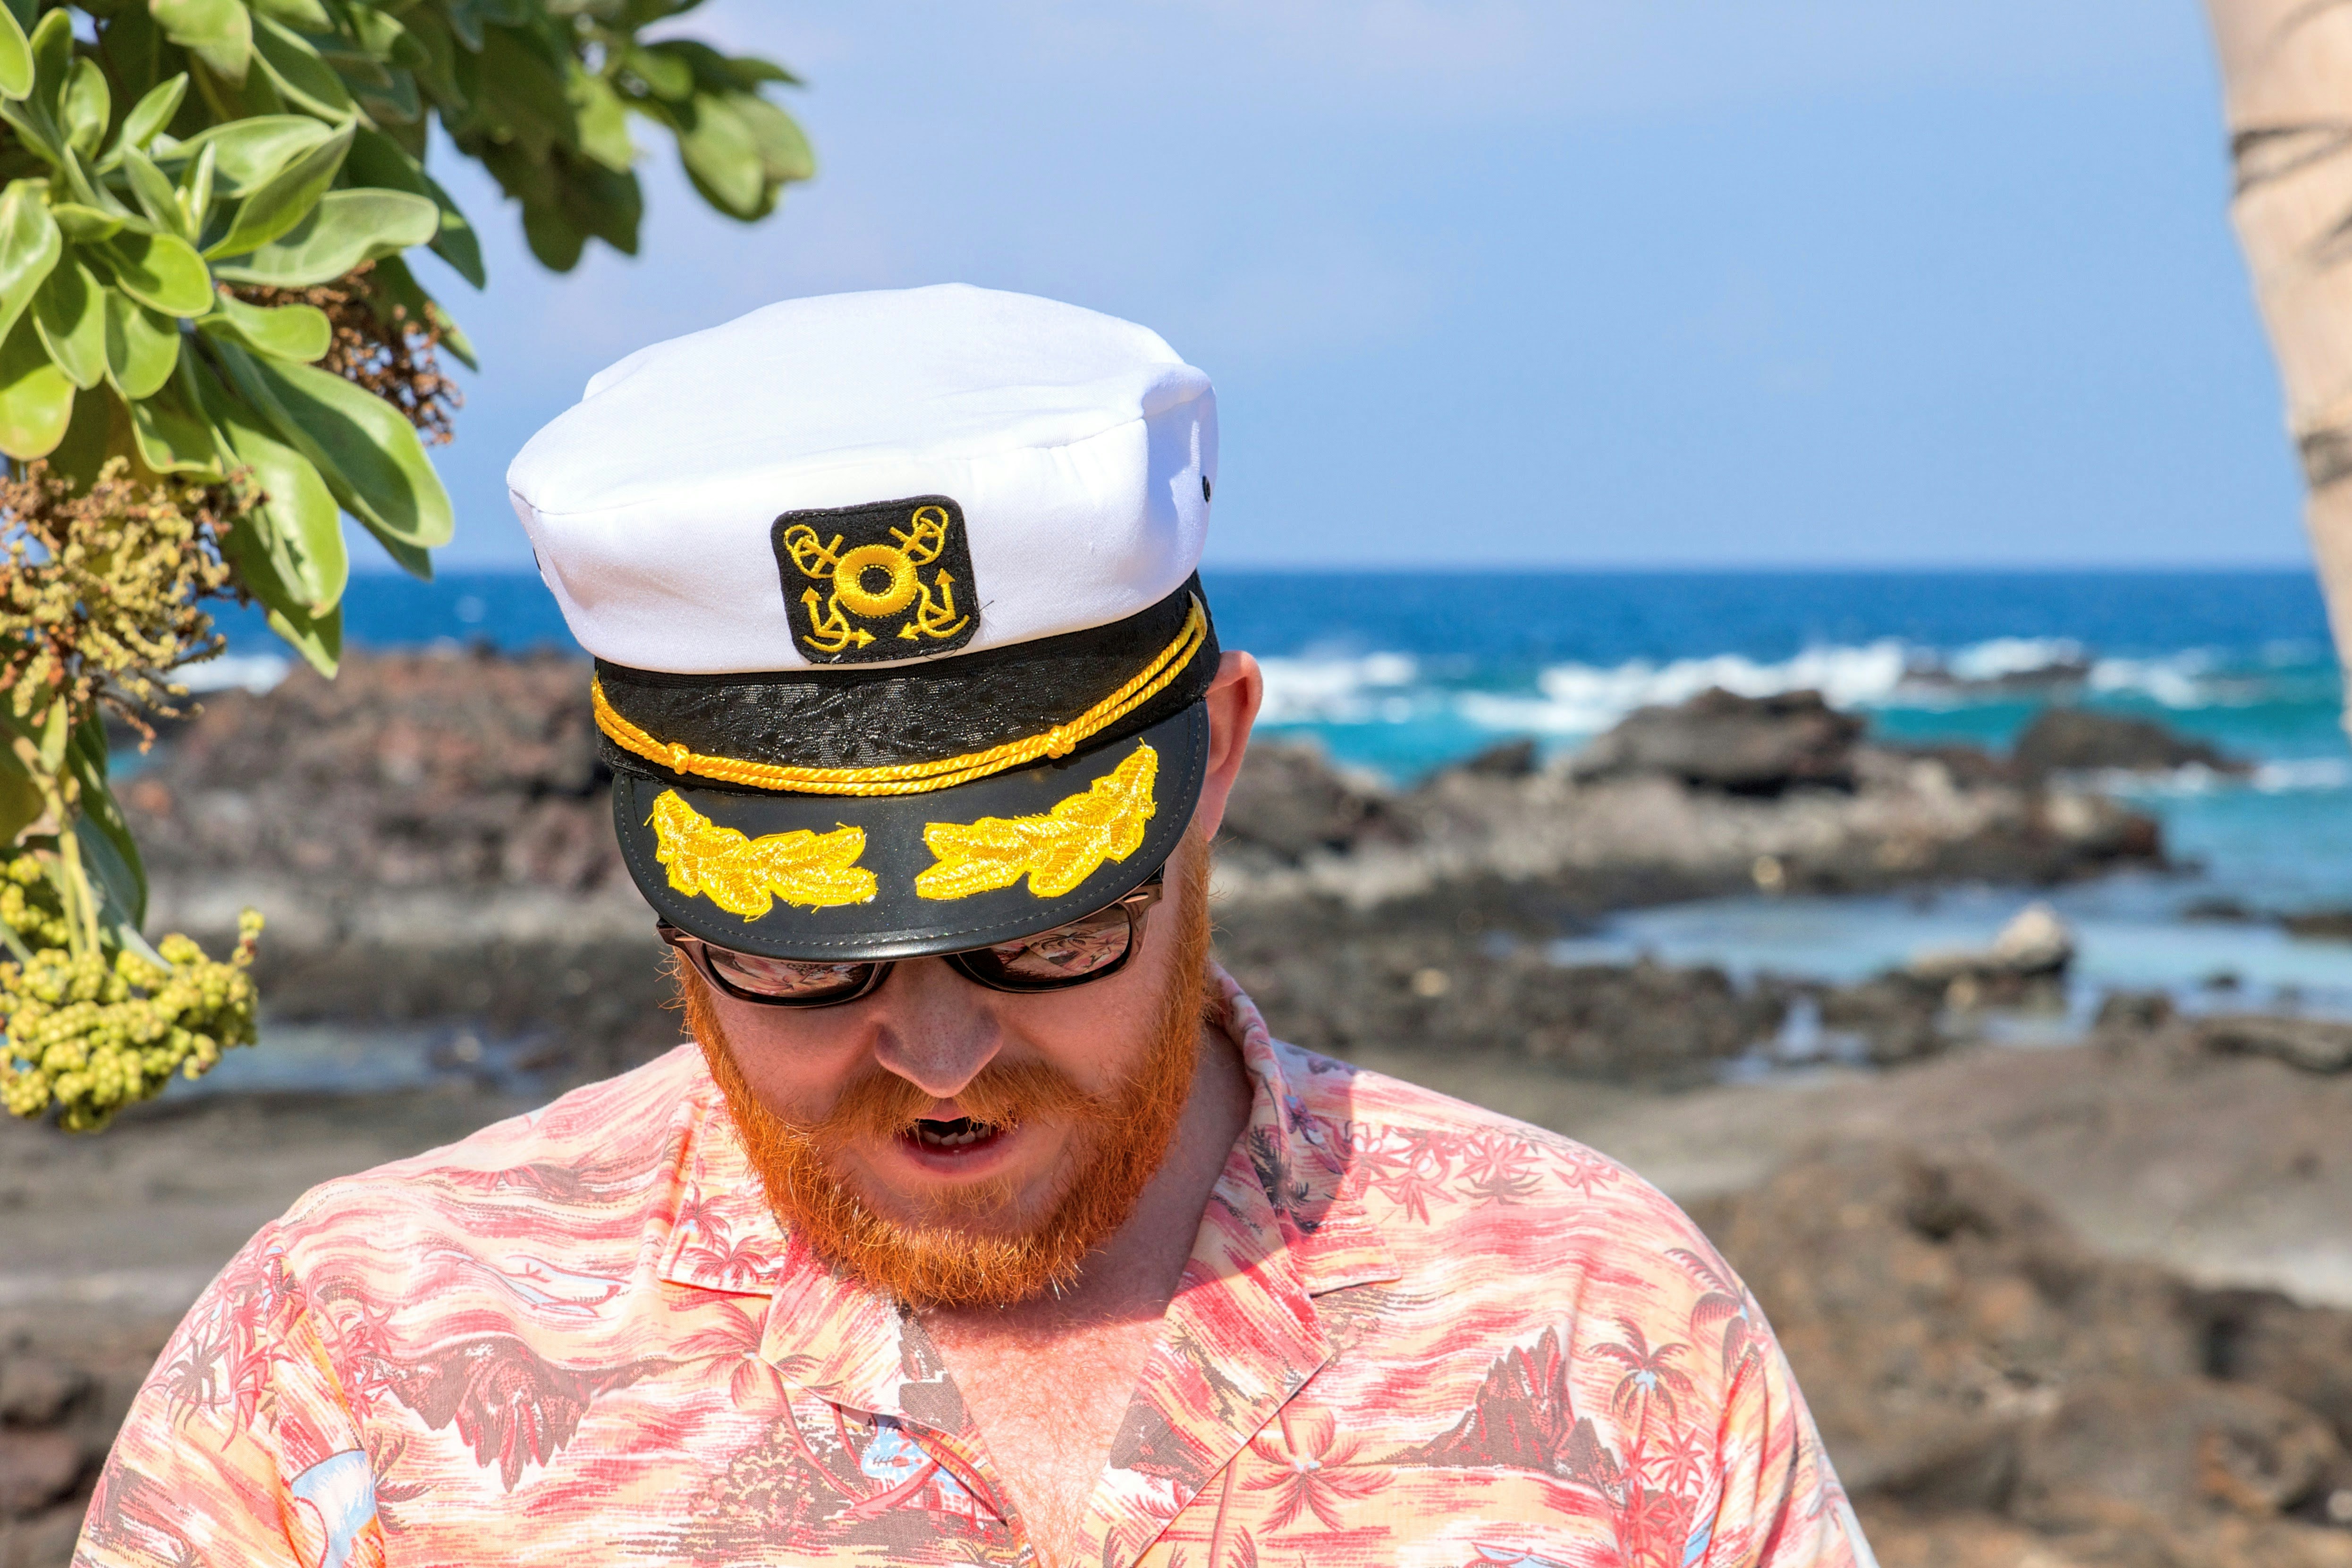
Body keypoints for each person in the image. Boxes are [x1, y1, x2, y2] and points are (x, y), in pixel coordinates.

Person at [75, 286, 1876, 1568]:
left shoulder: (1592, 1306)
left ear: (1221, 756)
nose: (936, 1054)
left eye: (1046, 930)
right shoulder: (352, 1354)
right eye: (797, 958)